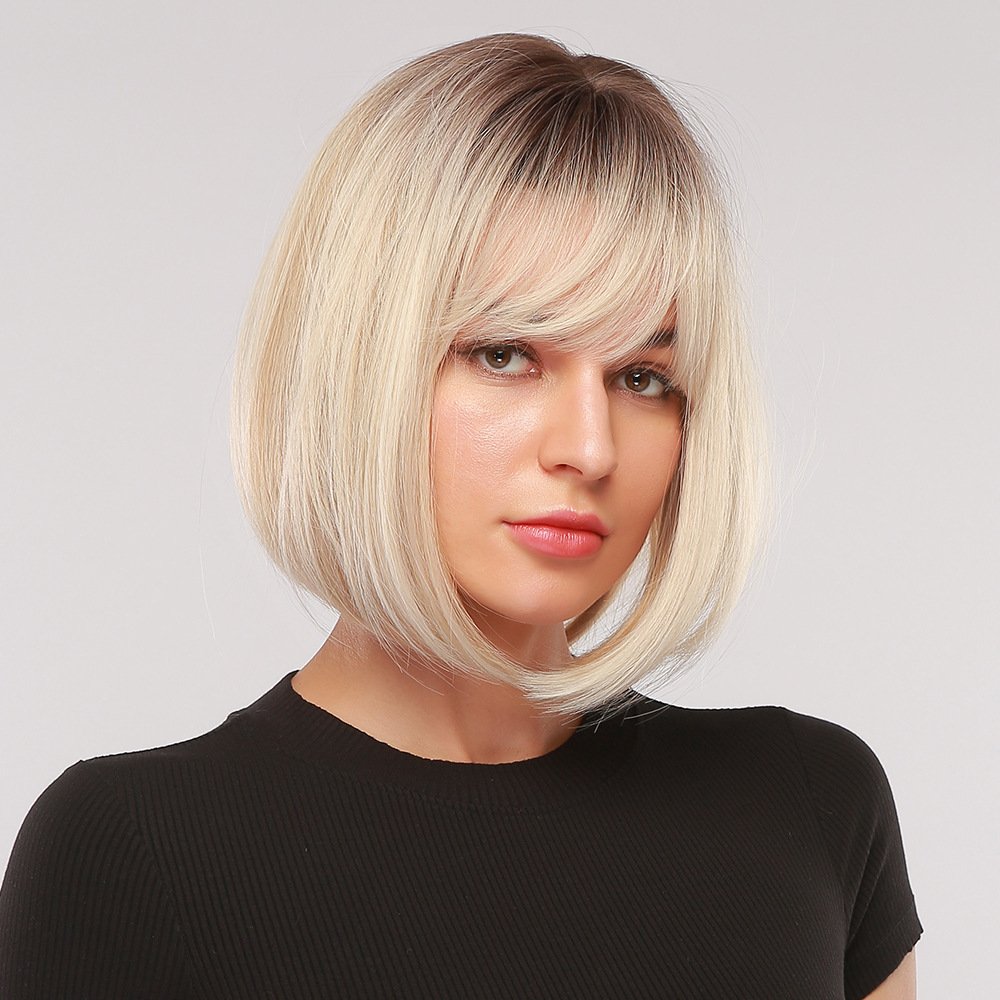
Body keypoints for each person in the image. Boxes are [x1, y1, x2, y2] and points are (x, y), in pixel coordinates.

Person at [0, 32, 921, 999]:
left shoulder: (807, 808)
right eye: (506, 355)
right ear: (355, 366)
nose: (591, 448)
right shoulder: (132, 852)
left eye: (643, 377)